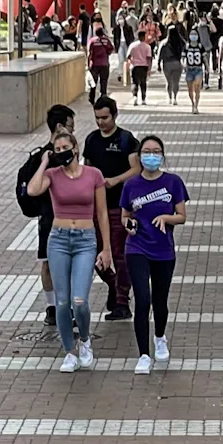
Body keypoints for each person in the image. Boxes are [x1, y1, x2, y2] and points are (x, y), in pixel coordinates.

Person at [26, 128, 112, 372]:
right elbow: (33, 190)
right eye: (57, 150)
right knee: (62, 301)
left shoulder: (94, 174)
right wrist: (44, 162)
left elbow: (102, 213)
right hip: (59, 240)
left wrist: (106, 249)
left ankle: (84, 340)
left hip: (85, 239)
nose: (62, 153)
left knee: (80, 300)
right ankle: (69, 351)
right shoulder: (52, 174)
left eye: (66, 148)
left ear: (76, 148)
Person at [121, 136, 188, 375]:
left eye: (156, 151)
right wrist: (129, 225)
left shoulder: (173, 182)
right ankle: (143, 354)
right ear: (139, 156)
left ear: (162, 155)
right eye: (147, 151)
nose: (151, 155)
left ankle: (160, 337)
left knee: (160, 300)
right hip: (137, 247)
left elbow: (182, 215)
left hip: (163, 249)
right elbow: (124, 215)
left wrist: (166, 218)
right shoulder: (131, 185)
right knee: (142, 298)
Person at [16, 105, 75, 327]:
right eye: (70, 126)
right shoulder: (44, 157)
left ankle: (65, 305)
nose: (73, 131)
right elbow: (32, 189)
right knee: (49, 262)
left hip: (71, 217)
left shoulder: (72, 151)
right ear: (60, 126)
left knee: (67, 263)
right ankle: (52, 307)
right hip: (50, 218)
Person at [83, 97, 140, 321]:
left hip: (120, 206)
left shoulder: (126, 140)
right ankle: (115, 286)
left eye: (105, 118)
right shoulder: (92, 140)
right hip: (95, 208)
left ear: (114, 115)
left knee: (119, 254)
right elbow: (86, 168)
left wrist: (115, 180)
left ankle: (121, 302)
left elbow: (136, 169)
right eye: (97, 118)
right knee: (93, 253)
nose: (101, 122)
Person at [182, 17, 210, 114]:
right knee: (190, 89)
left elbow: (204, 58)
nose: (193, 36)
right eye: (192, 34)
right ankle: (192, 103)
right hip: (189, 69)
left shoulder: (200, 46)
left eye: (195, 34)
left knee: (197, 87)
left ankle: (196, 105)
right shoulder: (186, 46)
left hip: (198, 69)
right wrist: (184, 65)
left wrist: (207, 67)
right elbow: (183, 57)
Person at [158, 18, 185, 106]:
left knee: (168, 82)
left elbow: (160, 54)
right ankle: (175, 98)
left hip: (167, 64)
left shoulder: (164, 43)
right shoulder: (180, 42)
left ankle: (169, 97)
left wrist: (158, 64)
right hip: (177, 63)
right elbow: (185, 49)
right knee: (176, 82)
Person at [87, 26, 114, 104]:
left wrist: (88, 63)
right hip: (104, 64)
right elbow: (111, 49)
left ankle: (91, 98)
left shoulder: (92, 41)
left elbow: (89, 53)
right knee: (104, 81)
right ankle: (103, 96)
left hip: (94, 64)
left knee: (93, 82)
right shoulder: (106, 40)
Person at [127, 31, 154, 105]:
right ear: (144, 37)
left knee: (134, 82)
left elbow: (128, 56)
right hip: (143, 66)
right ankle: (143, 99)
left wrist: (131, 61)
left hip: (134, 66)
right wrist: (149, 69)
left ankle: (135, 96)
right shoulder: (147, 46)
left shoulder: (132, 45)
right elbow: (149, 58)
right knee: (143, 83)